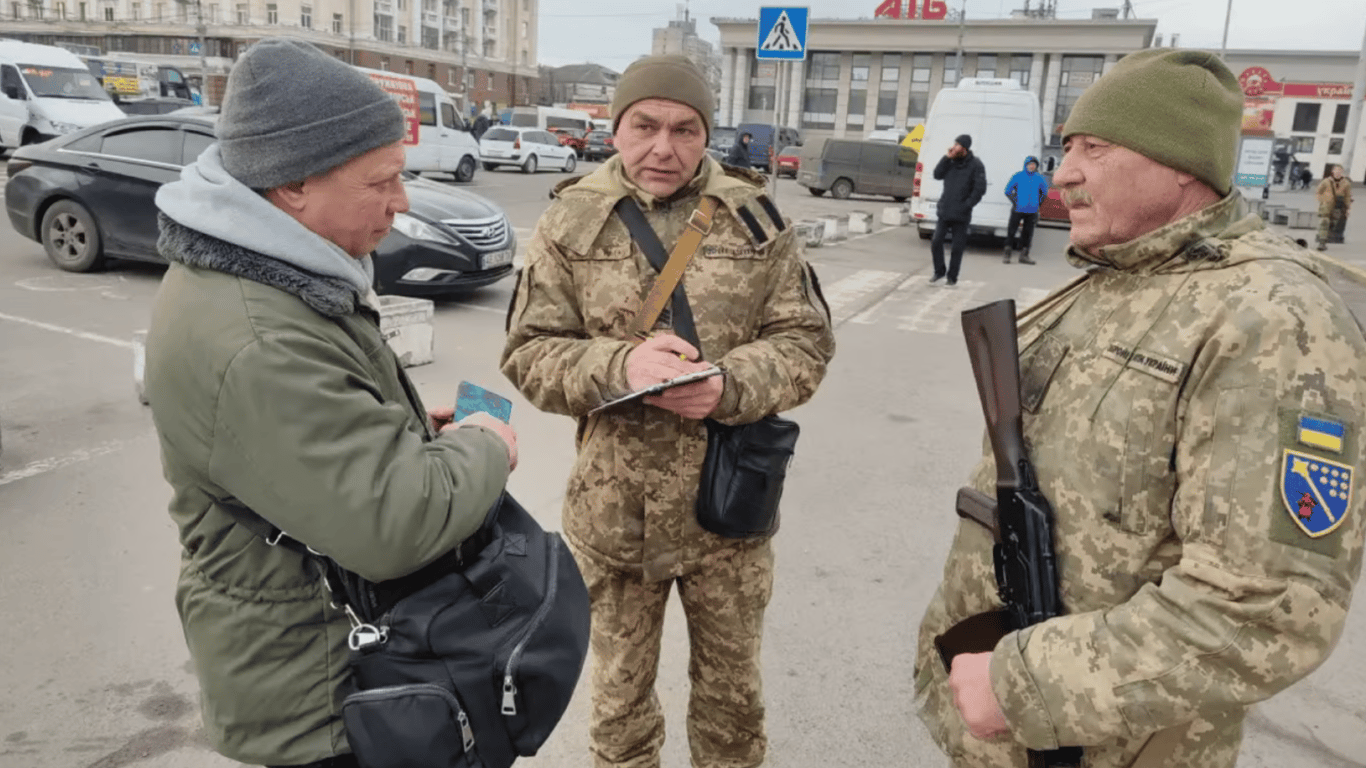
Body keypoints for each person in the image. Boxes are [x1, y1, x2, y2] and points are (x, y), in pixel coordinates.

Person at [915, 49, 1366, 768]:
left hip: (1108, 744)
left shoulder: (1273, 320)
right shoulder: (1116, 278)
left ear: (1181, 163)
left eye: (1095, 148)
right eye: (1066, 147)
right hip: (1014, 724)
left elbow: (1270, 607)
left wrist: (1026, 681)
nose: (1064, 172)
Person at [143, 38, 519, 768]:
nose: (401, 202)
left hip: (328, 651)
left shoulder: (272, 274)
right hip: (317, 694)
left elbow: (311, 445)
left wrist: (407, 434)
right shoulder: (255, 336)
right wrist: (482, 447)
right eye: (381, 181)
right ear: (292, 187)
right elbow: (392, 524)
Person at [500, 54, 835, 768]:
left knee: (732, 702)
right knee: (619, 705)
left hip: (729, 514)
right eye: (644, 125)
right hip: (613, 515)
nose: (664, 147)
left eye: (686, 129)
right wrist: (617, 365)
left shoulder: (755, 217)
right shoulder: (569, 220)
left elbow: (805, 342)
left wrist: (730, 386)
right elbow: (529, 353)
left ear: (706, 133)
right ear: (616, 127)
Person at [929, 133, 987, 287]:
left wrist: (967, 205)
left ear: (965, 148)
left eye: (957, 145)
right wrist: (946, 158)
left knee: (957, 247)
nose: (953, 147)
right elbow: (937, 175)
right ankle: (939, 270)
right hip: (945, 210)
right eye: (954, 144)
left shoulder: (976, 165)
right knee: (936, 242)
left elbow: (980, 189)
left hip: (961, 213)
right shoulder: (950, 161)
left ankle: (952, 277)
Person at [1002, 155, 1049, 264]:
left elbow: (1044, 193)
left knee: (1028, 234)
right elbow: (1008, 191)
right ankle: (1007, 255)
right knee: (1011, 232)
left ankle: (1024, 256)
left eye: (1034, 165)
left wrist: (1038, 204)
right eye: (1030, 164)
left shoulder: (1039, 178)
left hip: (1032, 211)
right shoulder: (1018, 176)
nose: (1032, 166)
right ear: (1025, 165)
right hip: (1018, 209)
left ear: (1036, 166)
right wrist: (1015, 202)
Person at [1315, 163, 1352, 251]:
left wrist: (1348, 208)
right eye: (1336, 170)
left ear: (1342, 172)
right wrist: (1324, 200)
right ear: (1333, 171)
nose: (1338, 172)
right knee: (1324, 222)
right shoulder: (1326, 181)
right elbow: (1318, 192)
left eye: (1340, 170)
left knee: (1333, 224)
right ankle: (1322, 243)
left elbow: (1347, 196)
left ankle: (1324, 236)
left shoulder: (1346, 183)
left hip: (1338, 207)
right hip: (1326, 206)